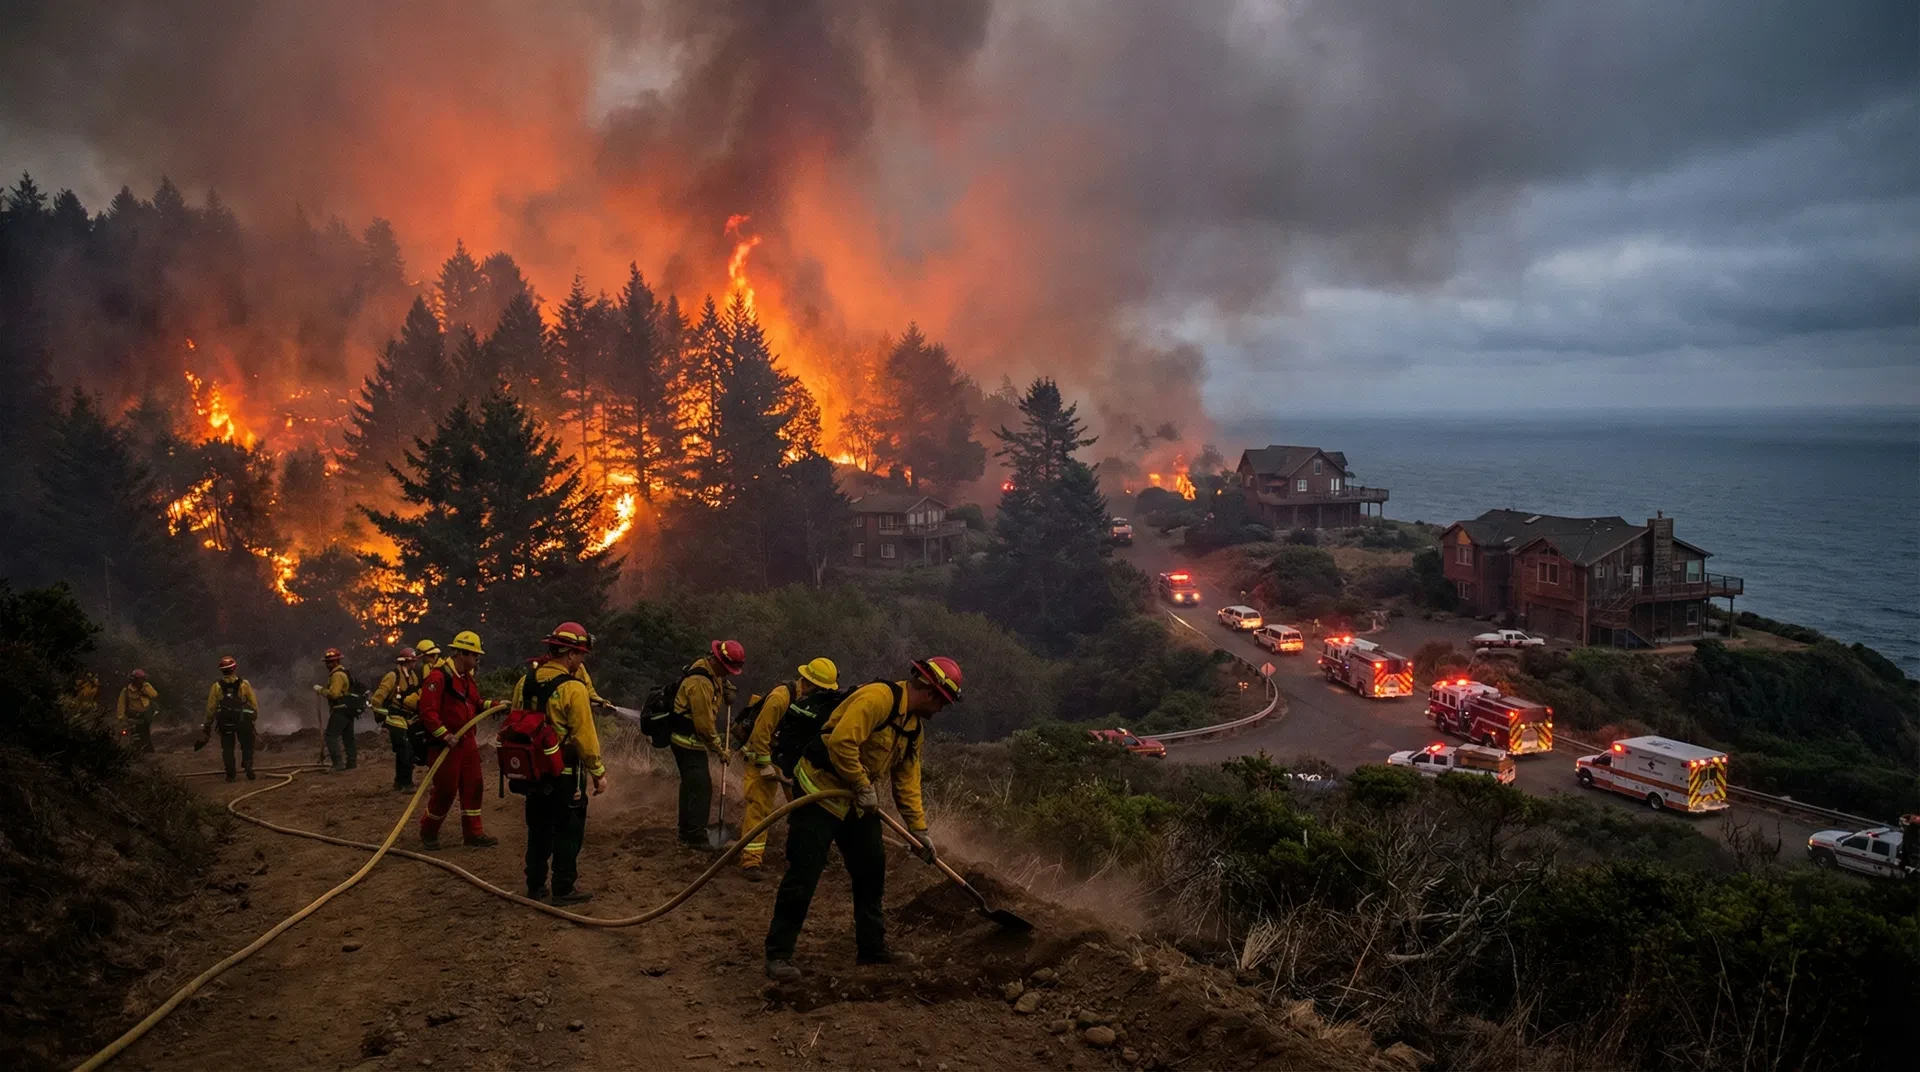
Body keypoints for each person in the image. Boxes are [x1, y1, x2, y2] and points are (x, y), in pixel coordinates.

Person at [764, 656, 962, 981]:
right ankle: (778, 955)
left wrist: (919, 830)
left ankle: (872, 948)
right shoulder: (876, 699)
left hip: (857, 805)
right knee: (804, 874)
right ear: (932, 692)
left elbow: (907, 781)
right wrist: (860, 782)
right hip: (820, 792)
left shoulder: (913, 728)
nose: (942, 709)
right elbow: (842, 742)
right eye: (944, 702)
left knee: (871, 871)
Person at [512, 621, 608, 905]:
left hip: (532, 772)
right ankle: (564, 888)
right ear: (568, 654)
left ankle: (535, 885)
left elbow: (517, 720)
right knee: (568, 831)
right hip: (565, 774)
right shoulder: (573, 689)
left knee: (538, 828)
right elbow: (584, 737)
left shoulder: (525, 681)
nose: (581, 662)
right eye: (580, 656)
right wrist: (598, 773)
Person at [737, 657, 839, 880]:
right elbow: (759, 735)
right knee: (760, 809)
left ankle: (803, 854)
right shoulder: (779, 698)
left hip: (785, 759)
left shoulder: (806, 702)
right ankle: (750, 863)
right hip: (761, 759)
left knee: (801, 806)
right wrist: (764, 765)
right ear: (811, 684)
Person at [417, 631, 497, 850]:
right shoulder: (438, 677)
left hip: (466, 740)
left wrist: (496, 705)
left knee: (474, 785)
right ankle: (429, 831)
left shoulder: (466, 678)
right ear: (462, 653)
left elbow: (476, 702)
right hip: (445, 744)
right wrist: (445, 735)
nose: (478, 660)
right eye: (475, 655)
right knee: (446, 789)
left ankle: (473, 833)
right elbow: (428, 712)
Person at [670, 639, 744, 849]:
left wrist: (728, 689)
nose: (728, 674)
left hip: (691, 742)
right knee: (701, 788)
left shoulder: (709, 669)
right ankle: (695, 836)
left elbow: (720, 682)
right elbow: (703, 724)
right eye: (727, 670)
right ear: (718, 661)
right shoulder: (700, 683)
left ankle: (687, 831)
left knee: (692, 787)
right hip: (687, 743)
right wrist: (719, 749)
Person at [370, 647, 423, 792]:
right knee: (405, 750)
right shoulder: (392, 676)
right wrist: (380, 711)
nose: (414, 664)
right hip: (394, 718)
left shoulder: (413, 676)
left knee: (407, 751)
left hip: (407, 719)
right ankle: (406, 784)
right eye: (412, 661)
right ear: (406, 661)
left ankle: (399, 782)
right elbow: (377, 699)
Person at [198, 656, 259, 782]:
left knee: (227, 747)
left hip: (225, 721)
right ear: (234, 668)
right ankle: (248, 764)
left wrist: (208, 724)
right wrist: (254, 716)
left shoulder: (216, 686)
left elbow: (211, 708)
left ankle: (230, 774)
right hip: (243, 720)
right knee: (247, 743)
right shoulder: (244, 684)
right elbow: (253, 703)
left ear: (222, 671)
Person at [313, 647, 361, 771]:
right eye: (327, 662)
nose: (327, 664)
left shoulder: (337, 675)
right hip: (348, 710)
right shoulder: (343, 672)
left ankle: (338, 764)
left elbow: (334, 694)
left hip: (340, 710)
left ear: (336, 662)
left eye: (330, 662)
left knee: (330, 736)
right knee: (348, 736)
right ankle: (351, 763)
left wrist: (321, 690)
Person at [116, 669, 159, 754]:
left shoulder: (146, 686)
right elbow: (121, 705)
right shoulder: (126, 691)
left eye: (143, 679)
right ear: (134, 679)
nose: (142, 681)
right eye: (140, 679)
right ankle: (138, 751)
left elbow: (154, 695)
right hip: (133, 716)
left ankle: (147, 751)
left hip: (145, 715)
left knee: (145, 732)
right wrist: (122, 718)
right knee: (135, 733)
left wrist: (143, 689)